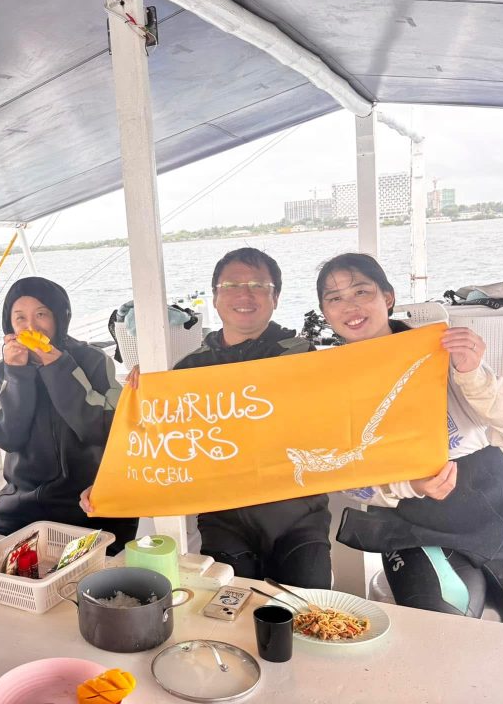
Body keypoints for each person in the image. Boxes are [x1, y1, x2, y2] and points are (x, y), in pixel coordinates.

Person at [318, 252, 503, 628]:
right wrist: (409, 485)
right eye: (335, 298)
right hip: (415, 526)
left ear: (387, 297)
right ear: (325, 313)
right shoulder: (326, 384)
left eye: (361, 291)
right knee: (443, 629)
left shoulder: (441, 352)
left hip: (500, 506)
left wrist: (473, 374)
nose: (350, 306)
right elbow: (346, 479)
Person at [91, 247, 330, 587]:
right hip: (225, 520)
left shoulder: (304, 357)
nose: (244, 294)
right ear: (215, 298)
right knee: (226, 608)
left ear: (275, 297)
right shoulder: (190, 369)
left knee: (312, 610)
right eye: (231, 285)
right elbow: (155, 443)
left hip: (298, 516)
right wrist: (150, 389)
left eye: (258, 285)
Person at [0, 276, 137, 554]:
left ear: (59, 317)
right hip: (22, 503)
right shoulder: (2, 370)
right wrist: (16, 375)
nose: (31, 327)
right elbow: (6, 438)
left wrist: (59, 368)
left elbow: (104, 430)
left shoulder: (92, 360)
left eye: (41, 314)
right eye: (20, 318)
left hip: (87, 500)